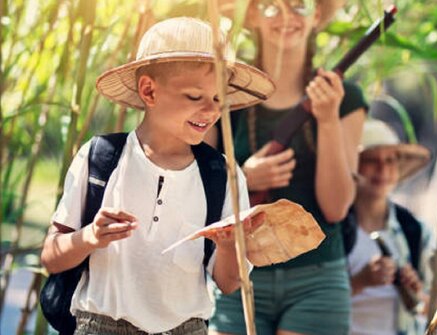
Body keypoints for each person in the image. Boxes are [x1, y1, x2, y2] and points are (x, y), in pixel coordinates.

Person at [40, 17, 274, 334]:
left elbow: (229, 283)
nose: (211, 111)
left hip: (185, 328)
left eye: (219, 99)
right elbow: (51, 258)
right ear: (149, 91)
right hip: (100, 326)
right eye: (195, 97)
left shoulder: (223, 176)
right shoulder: (100, 159)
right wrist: (90, 237)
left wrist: (231, 245)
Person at [207, 1, 367, 334]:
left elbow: (336, 208)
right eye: (270, 5)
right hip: (236, 276)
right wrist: (243, 179)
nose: (286, 16)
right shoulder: (221, 92)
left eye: (300, 5)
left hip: (318, 280)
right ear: (251, 14)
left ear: (318, 15)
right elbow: (197, 189)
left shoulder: (346, 98)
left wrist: (327, 120)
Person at [347, 118, 434, 335]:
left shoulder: (415, 231)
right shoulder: (333, 228)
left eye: (390, 160)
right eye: (371, 160)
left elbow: (434, 307)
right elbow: (314, 301)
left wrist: (415, 292)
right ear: (353, 165)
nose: (382, 169)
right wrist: (361, 281)